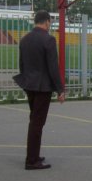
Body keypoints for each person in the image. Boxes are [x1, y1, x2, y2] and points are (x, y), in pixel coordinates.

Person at [13, 10, 65, 170]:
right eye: (50, 22)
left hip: (29, 84)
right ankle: (32, 160)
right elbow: (53, 67)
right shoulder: (48, 40)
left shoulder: (25, 39)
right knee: (37, 123)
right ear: (47, 22)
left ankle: (34, 154)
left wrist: (26, 80)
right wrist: (60, 89)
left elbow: (21, 64)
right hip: (43, 87)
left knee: (34, 120)